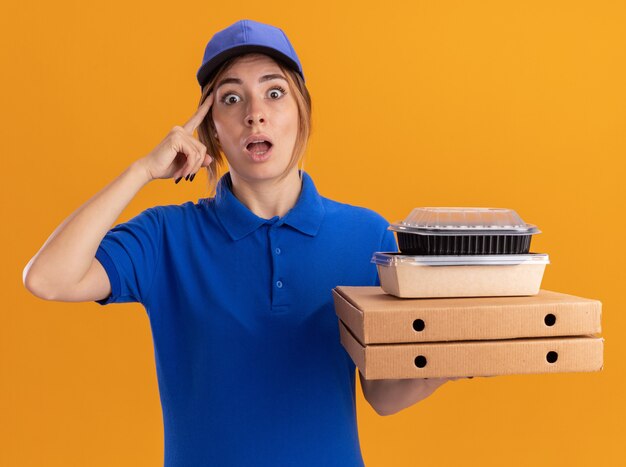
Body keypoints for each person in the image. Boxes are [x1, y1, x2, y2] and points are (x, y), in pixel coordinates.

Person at [23, 19, 457, 466]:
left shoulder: (368, 236)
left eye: (274, 93)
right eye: (231, 98)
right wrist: (141, 171)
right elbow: (48, 278)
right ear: (211, 128)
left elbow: (383, 395)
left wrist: (459, 357)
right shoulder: (165, 236)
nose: (255, 113)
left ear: (301, 112)